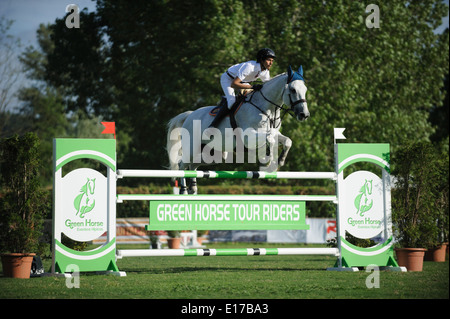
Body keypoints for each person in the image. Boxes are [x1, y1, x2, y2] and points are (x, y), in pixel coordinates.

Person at [207, 48, 276, 129]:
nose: (271, 63)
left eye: (272, 61)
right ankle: (213, 125)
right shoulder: (249, 67)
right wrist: (252, 87)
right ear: (262, 59)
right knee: (232, 101)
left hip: (242, 81)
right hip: (229, 79)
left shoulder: (265, 71)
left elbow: (267, 86)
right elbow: (234, 84)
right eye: (268, 60)